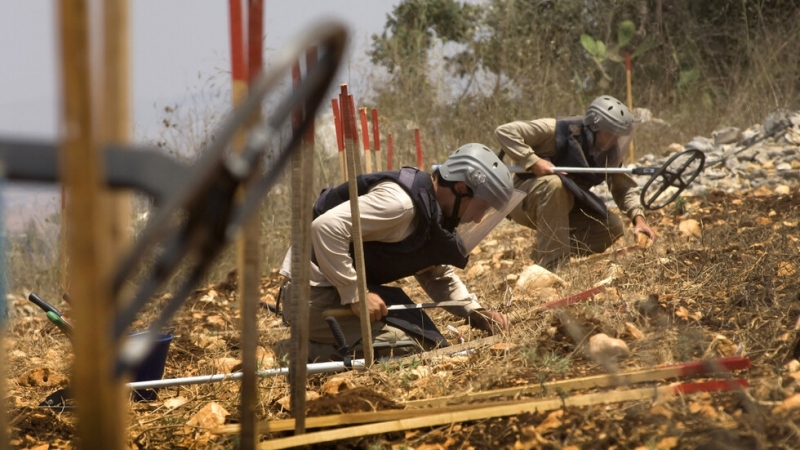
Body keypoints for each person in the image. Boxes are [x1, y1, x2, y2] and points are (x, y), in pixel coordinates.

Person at [275, 143, 523, 362]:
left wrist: (475, 312)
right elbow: (324, 228)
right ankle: (293, 353)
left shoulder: (431, 213)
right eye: (481, 207)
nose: (478, 218)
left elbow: (437, 275)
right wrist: (357, 295)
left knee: (428, 339)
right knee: (411, 349)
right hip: (311, 296)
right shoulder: (400, 205)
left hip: (332, 292)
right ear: (460, 188)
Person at [494, 95, 656, 271]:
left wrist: (639, 220)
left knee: (612, 227)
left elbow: (624, 188)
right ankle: (552, 266)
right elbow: (504, 132)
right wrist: (533, 161)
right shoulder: (554, 130)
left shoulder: (609, 151)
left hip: (565, 204)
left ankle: (546, 250)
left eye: (619, 136)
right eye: (611, 134)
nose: (616, 141)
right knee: (554, 185)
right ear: (594, 128)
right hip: (523, 199)